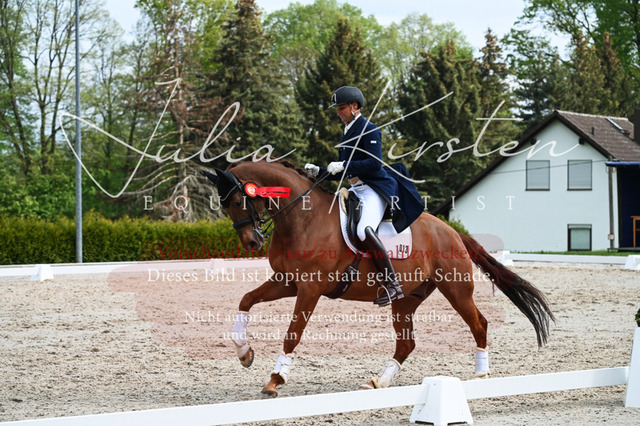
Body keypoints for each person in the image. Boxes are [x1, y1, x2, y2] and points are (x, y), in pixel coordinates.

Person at [305, 86, 423, 306]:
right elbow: (344, 172)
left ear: (355, 106)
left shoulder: (369, 129)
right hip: (355, 189)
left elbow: (374, 163)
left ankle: (392, 284)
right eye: (337, 109)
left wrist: (344, 165)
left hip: (373, 189)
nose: (338, 112)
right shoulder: (347, 131)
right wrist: (319, 172)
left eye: (341, 108)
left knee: (363, 230)